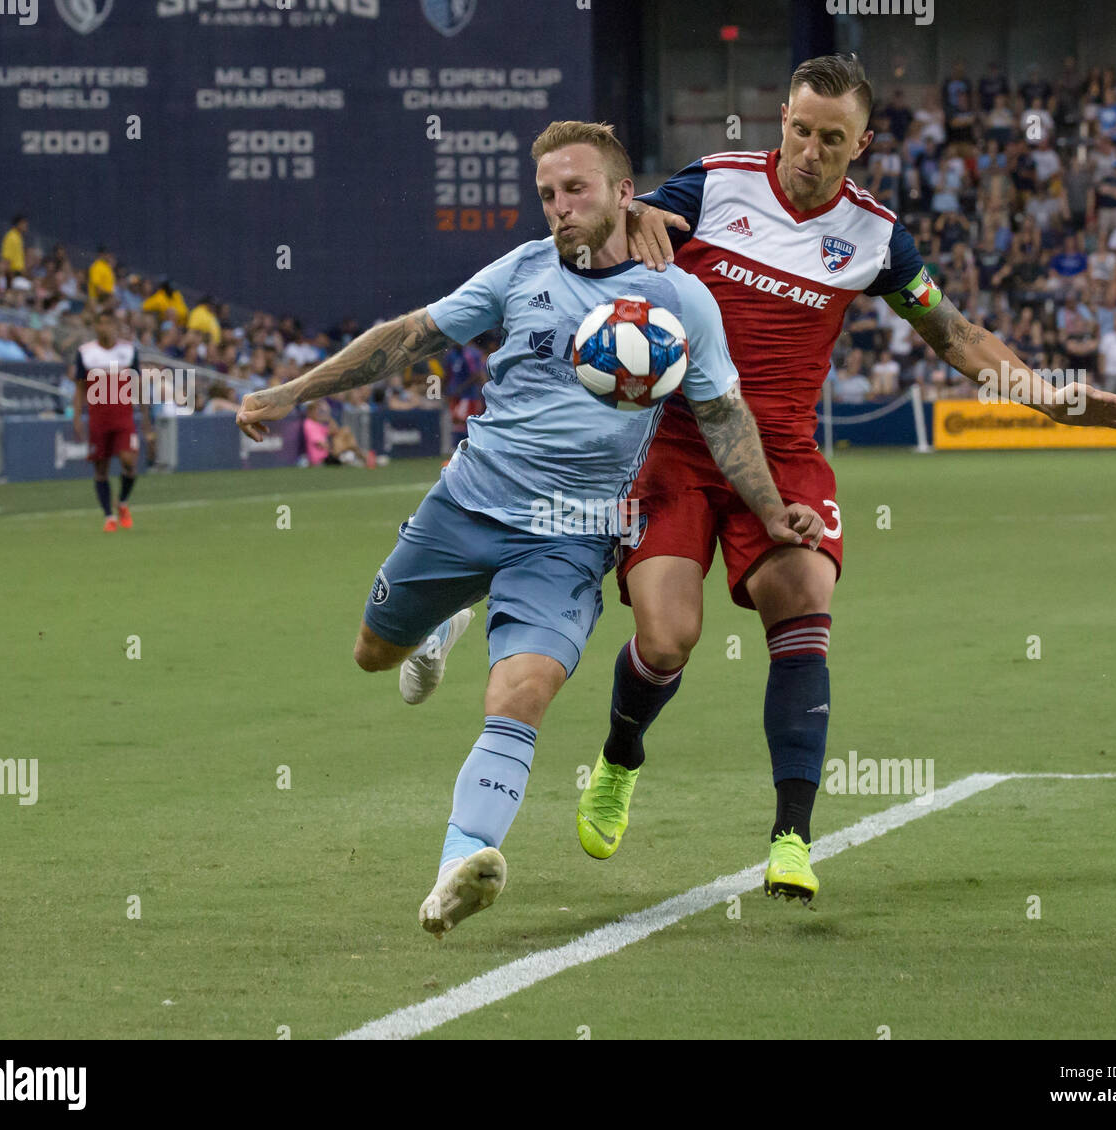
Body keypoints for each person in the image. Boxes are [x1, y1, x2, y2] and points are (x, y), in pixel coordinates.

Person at [235, 120, 818, 937]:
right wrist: (289, 394)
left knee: (521, 694)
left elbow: (724, 417)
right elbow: (410, 336)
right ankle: (441, 622)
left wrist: (770, 512)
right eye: (547, 194)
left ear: (625, 194)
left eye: (575, 189)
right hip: (467, 504)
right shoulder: (522, 271)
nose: (558, 208)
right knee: (374, 653)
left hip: (570, 536)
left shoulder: (680, 300)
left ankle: (457, 866)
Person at [607, 53, 1116, 905]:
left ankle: (791, 836)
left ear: (861, 144)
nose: (810, 151)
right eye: (800, 129)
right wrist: (631, 229)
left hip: (782, 454)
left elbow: (957, 335)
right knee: (668, 641)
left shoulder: (877, 236)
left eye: (832, 138)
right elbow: (635, 229)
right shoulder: (714, 185)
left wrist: (1046, 399)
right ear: (781, 117)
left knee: (804, 598)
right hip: (678, 445)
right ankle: (620, 756)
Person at [71, 308, 153, 531]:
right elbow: (79, 388)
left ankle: (123, 502)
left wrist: (146, 419)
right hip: (98, 420)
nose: (104, 328)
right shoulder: (86, 353)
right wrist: (77, 417)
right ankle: (109, 516)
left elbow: (137, 385)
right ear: (95, 326)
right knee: (101, 469)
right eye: (101, 323)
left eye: (109, 323)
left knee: (129, 463)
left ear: (115, 326)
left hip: (123, 418)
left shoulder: (127, 351)